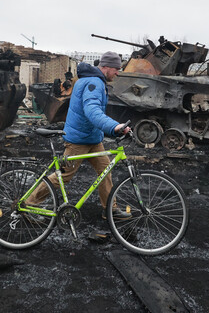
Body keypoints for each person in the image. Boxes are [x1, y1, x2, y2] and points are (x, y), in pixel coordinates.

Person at [28, 51, 132, 219]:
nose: (118, 73)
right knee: (63, 177)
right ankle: (30, 205)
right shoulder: (94, 83)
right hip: (79, 140)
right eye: (116, 69)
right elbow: (92, 112)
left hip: (91, 138)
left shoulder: (90, 80)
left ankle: (110, 209)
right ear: (106, 67)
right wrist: (115, 127)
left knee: (105, 170)